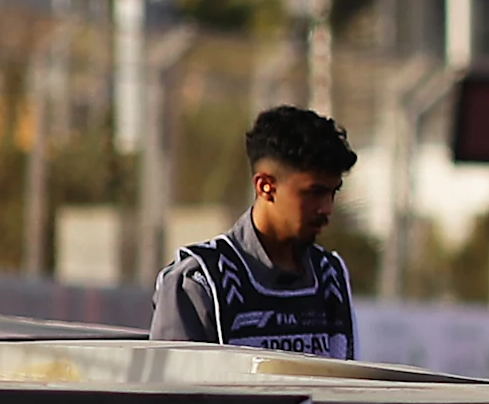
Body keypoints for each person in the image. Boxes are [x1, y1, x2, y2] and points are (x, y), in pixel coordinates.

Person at [148, 105, 359, 356]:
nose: (327, 208)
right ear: (265, 186)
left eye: (333, 192)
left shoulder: (330, 277)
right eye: (314, 193)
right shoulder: (200, 282)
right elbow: (177, 392)